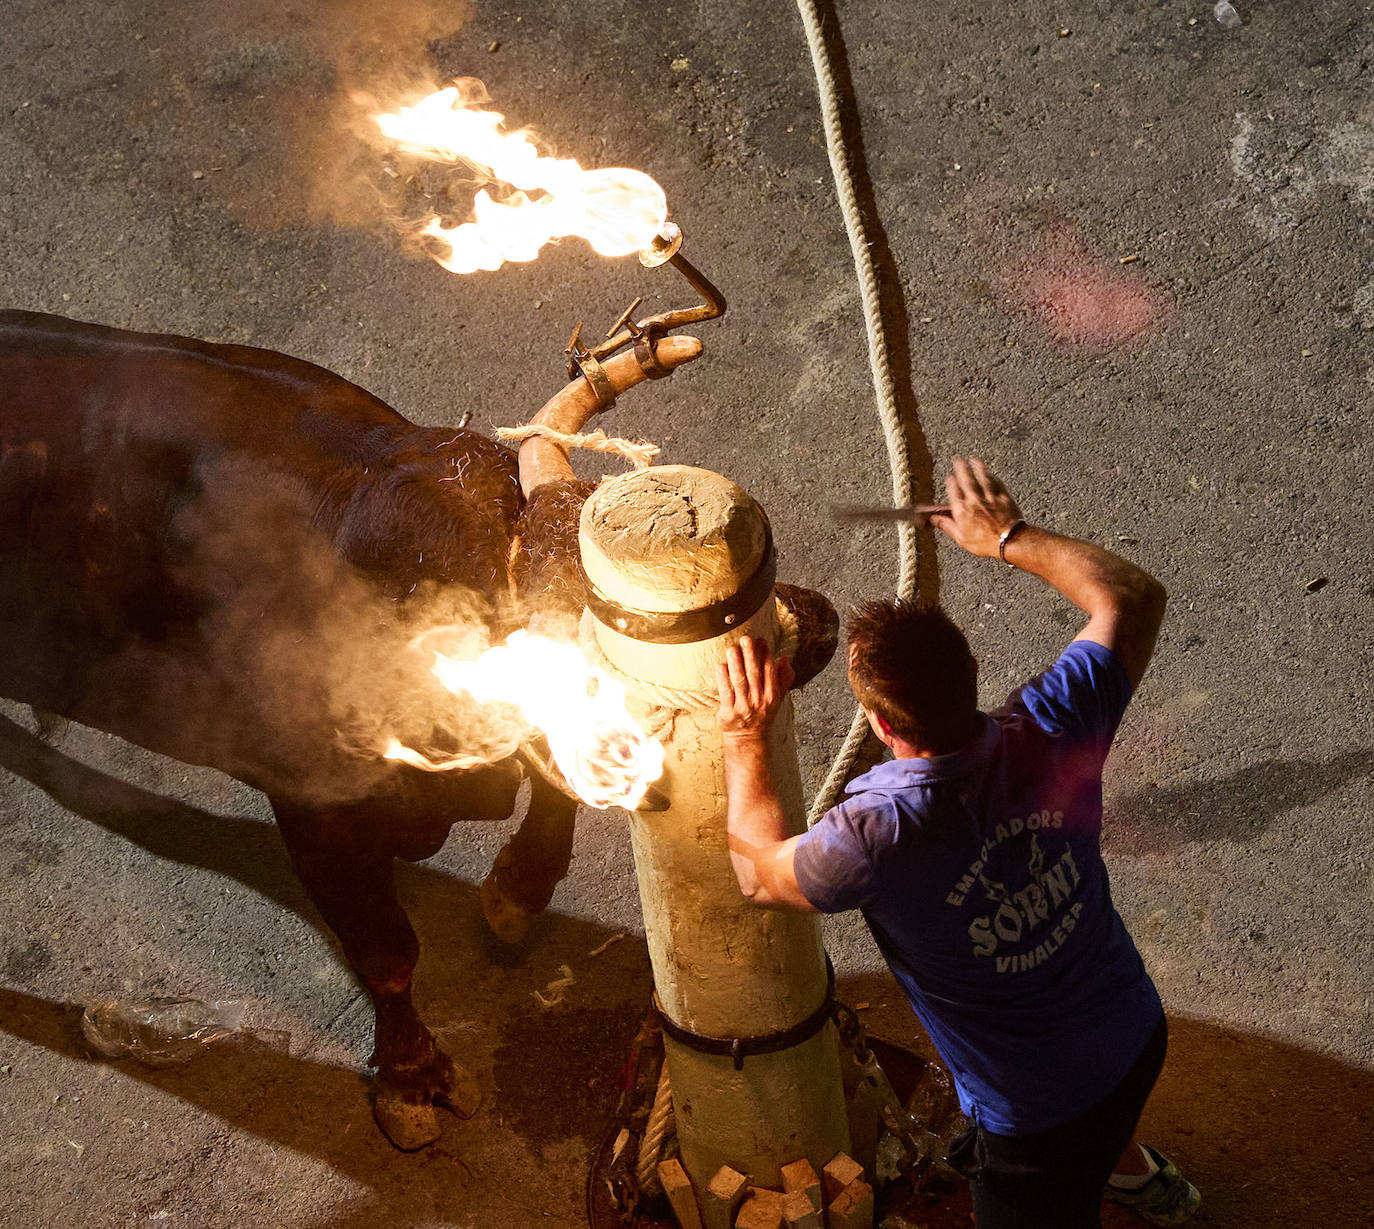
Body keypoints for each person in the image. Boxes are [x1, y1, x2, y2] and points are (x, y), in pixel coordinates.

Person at [716, 458, 1200, 1228]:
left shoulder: (872, 835)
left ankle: (1108, 1178)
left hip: (1033, 1126)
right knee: (1103, 1114)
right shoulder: (1053, 723)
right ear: (972, 670)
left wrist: (745, 738)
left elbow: (757, 873)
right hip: (1135, 1033)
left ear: (880, 725)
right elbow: (1132, 595)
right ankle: (1140, 1179)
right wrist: (1009, 535)